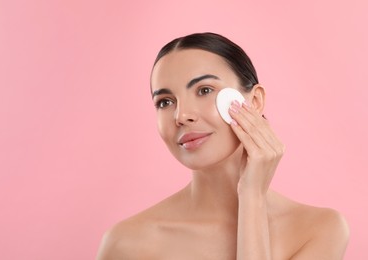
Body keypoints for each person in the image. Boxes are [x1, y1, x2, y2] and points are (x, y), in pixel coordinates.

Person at [96, 32, 349, 259]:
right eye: (165, 102)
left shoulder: (319, 230)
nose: (181, 115)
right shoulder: (127, 244)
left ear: (256, 101)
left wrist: (252, 198)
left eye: (204, 90)